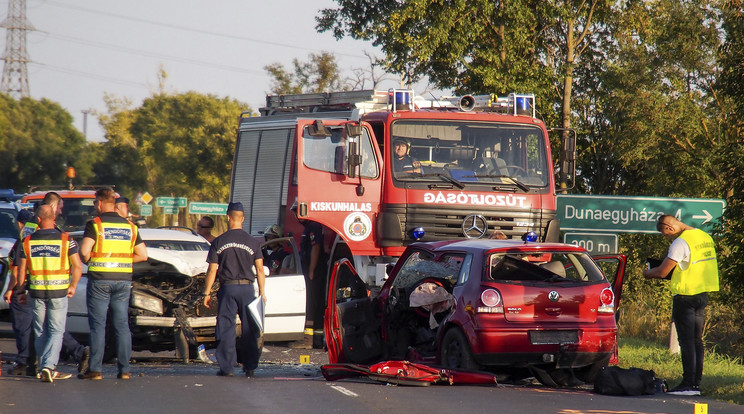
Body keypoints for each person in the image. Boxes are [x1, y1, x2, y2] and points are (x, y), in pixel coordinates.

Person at [643, 215, 719, 396]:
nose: (668, 238)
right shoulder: (704, 237)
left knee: (686, 342)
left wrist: (647, 273)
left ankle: (687, 385)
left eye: (666, 234)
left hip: (685, 296)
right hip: (702, 294)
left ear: (669, 226)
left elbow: (662, 272)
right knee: (696, 340)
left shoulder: (680, 243)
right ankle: (695, 384)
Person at [78, 187, 148, 380]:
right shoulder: (131, 227)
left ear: (99, 203)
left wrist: (91, 261)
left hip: (100, 280)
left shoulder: (95, 224)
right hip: (123, 281)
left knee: (98, 325)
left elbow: (84, 252)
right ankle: (125, 370)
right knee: (122, 325)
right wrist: (122, 261)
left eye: (94, 203)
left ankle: (95, 370)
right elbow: (143, 255)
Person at [16, 205, 83, 382]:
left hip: (37, 292)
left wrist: (21, 290)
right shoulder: (66, 240)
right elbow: (77, 265)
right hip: (59, 292)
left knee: (39, 330)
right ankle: (48, 366)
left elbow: (22, 270)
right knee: (56, 330)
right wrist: (73, 285)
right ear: (54, 218)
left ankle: (41, 366)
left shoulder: (27, 241)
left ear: (38, 219)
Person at [202, 202, 266, 377]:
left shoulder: (218, 241)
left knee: (226, 327)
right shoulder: (253, 242)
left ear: (228, 217)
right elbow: (260, 270)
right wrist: (262, 293)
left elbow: (212, 269)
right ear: (243, 218)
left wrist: (206, 292)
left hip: (228, 289)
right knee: (250, 328)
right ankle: (250, 366)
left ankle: (227, 367)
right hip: (247, 290)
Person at [2, 209, 38, 377]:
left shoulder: (23, 243)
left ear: (19, 224)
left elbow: (16, 272)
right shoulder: (32, 241)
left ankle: (24, 361)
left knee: (22, 327)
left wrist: (10, 289)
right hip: (34, 287)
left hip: (21, 288)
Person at [290, 202, 328, 342]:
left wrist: (311, 270)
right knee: (314, 303)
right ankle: (315, 340)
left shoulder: (313, 226)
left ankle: (308, 339)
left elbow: (316, 248)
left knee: (312, 303)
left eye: (295, 213)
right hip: (311, 269)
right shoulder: (309, 227)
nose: (295, 216)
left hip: (314, 271)